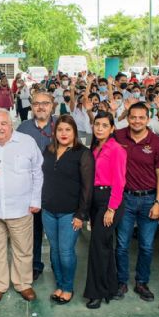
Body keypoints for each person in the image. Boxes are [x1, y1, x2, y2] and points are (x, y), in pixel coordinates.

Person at [0, 109, 43, 303]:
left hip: (21, 207)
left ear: (11, 124)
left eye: (3, 123)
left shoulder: (26, 142)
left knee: (23, 249)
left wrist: (35, 200)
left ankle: (23, 283)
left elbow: (37, 173)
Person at [113, 102, 159, 302]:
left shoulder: (157, 143)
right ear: (128, 117)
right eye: (133, 117)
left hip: (149, 200)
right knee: (122, 244)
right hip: (125, 199)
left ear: (148, 118)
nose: (137, 120)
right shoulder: (118, 137)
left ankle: (142, 282)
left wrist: (158, 202)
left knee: (146, 245)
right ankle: (121, 282)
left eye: (141, 117)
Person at [41, 115, 93, 304]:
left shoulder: (83, 153)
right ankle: (60, 284)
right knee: (54, 251)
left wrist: (81, 214)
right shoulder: (48, 150)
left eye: (68, 130)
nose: (63, 133)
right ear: (55, 132)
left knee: (65, 251)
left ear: (74, 132)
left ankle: (68, 287)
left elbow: (87, 188)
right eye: (60, 130)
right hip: (48, 210)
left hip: (70, 213)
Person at [83, 112, 127, 309]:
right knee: (104, 246)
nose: (99, 128)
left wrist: (111, 208)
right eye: (97, 124)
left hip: (109, 201)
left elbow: (119, 181)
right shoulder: (95, 147)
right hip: (95, 200)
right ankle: (110, 287)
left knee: (97, 248)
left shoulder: (116, 149)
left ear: (112, 129)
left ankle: (97, 293)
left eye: (104, 125)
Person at [16, 91, 55, 280]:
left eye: (45, 103)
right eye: (37, 103)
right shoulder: (23, 128)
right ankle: (35, 264)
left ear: (52, 105)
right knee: (35, 230)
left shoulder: (61, 126)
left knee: (56, 231)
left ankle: (58, 264)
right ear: (31, 106)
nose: (41, 107)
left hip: (56, 187)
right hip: (30, 188)